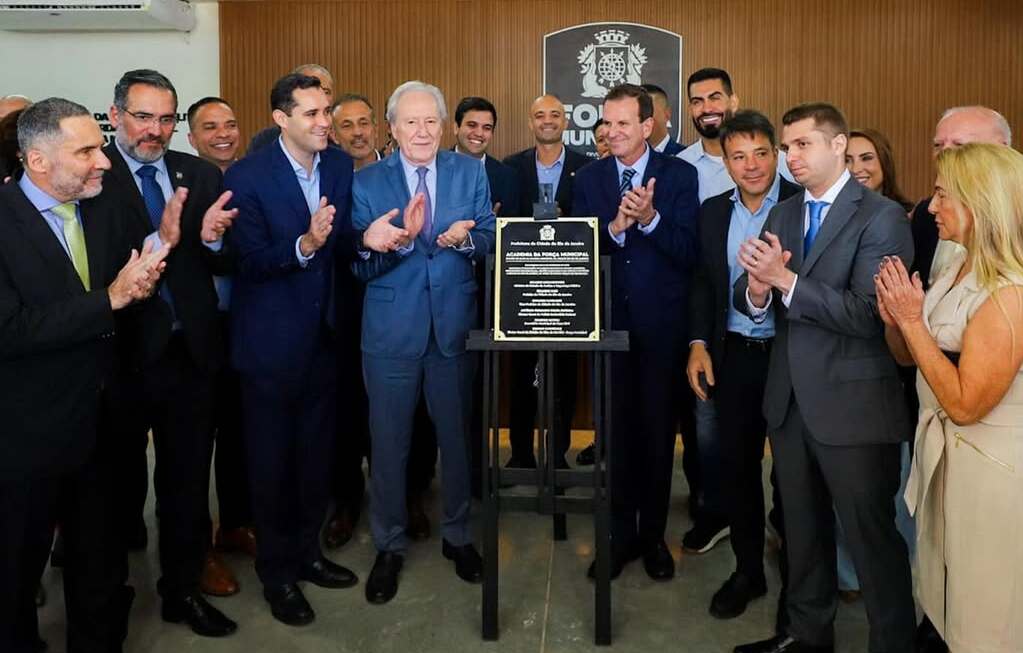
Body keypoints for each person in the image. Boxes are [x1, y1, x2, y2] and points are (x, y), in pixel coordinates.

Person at [732, 103, 915, 653]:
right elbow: (755, 295)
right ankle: (806, 637)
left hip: (854, 409)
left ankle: (893, 643)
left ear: (838, 146)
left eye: (802, 145)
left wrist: (783, 281)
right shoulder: (785, 212)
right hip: (789, 404)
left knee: (871, 542)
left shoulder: (880, 216)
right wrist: (757, 294)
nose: (791, 156)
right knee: (803, 537)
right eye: (788, 147)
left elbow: (867, 313)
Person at [224, 73, 399, 626]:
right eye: (313, 114)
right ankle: (277, 574)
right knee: (271, 467)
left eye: (327, 111)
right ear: (281, 118)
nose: (325, 123)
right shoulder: (248, 177)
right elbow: (246, 262)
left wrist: (363, 238)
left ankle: (307, 555)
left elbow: (340, 237)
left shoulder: (340, 168)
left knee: (315, 459)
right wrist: (303, 245)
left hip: (326, 340)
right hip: (270, 349)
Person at [0, 96, 170, 653]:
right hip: (27, 436)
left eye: (99, 147)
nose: (103, 161)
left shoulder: (106, 209)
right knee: (15, 575)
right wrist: (110, 300)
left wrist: (140, 289)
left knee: (100, 566)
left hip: (107, 426)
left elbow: (131, 304)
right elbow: (11, 328)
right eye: (87, 151)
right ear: (37, 161)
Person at [97, 68, 241, 638]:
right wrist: (159, 243)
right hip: (123, 359)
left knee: (185, 485)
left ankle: (181, 591)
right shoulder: (92, 176)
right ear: (115, 117)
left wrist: (211, 239)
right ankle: (108, 599)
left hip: (191, 356)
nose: (155, 130)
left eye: (165, 118)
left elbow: (223, 265)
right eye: (142, 117)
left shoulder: (197, 172)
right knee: (115, 490)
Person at [352, 80, 495, 605]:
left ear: (444, 126)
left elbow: (491, 234)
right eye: (409, 122)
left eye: (430, 121)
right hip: (391, 333)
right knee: (389, 444)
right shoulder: (367, 183)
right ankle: (388, 545)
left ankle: (458, 537)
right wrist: (389, 244)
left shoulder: (469, 170)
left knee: (457, 440)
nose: (421, 131)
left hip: (454, 327)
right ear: (391, 129)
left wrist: (467, 239)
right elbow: (357, 264)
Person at [877, 142, 1023, 653]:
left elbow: (964, 405)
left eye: (942, 195)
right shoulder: (957, 263)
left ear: (979, 202)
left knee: (984, 615)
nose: (930, 206)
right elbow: (911, 357)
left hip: (990, 478)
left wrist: (912, 321)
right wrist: (897, 322)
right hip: (947, 467)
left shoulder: (1009, 293)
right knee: (947, 600)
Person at [572, 83, 699, 581]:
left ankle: (653, 540)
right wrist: (615, 229)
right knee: (615, 438)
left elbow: (690, 252)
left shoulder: (679, 176)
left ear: (648, 126)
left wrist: (649, 220)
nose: (612, 131)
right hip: (607, 331)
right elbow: (580, 253)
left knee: (655, 438)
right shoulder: (589, 179)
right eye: (607, 121)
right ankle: (618, 537)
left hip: (661, 329)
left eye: (624, 122)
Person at [687, 110, 800, 620]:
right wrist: (697, 342)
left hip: (790, 356)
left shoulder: (801, 208)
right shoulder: (711, 211)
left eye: (760, 153)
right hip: (732, 355)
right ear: (725, 162)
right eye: (738, 156)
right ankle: (748, 571)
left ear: (776, 154)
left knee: (792, 474)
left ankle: (800, 579)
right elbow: (703, 283)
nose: (751, 165)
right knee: (738, 469)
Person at [835, 126, 915, 604]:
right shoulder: (827, 217)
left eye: (868, 159)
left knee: (894, 485)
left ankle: (898, 576)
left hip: (898, 369)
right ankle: (850, 576)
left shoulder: (912, 218)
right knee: (848, 484)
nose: (859, 168)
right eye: (851, 159)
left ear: (885, 164)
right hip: (845, 372)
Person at [185, 95, 257, 598]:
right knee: (191, 447)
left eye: (230, 124)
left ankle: (235, 524)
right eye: (210, 127)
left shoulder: (251, 179)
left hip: (246, 325)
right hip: (193, 333)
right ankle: (196, 550)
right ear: (191, 138)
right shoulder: (183, 184)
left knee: (238, 433)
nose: (223, 134)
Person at [502, 94, 589, 470]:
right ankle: (521, 453)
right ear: (531, 122)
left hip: (569, 289)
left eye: (555, 114)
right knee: (521, 375)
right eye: (540, 115)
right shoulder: (511, 167)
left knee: (564, 378)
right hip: (522, 288)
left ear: (565, 121)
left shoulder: (587, 168)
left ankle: (557, 456)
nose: (548, 121)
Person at [910, 106, 1011, 290]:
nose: (944, 155)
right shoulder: (926, 215)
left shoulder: (1015, 218)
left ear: (1001, 150)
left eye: (961, 146)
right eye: (938, 145)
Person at [249, 64, 335, 152]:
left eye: (325, 92)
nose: (318, 97)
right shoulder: (264, 141)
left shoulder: (341, 152)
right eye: (308, 91)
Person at [330, 93, 383, 171]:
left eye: (364, 123)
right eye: (347, 126)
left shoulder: (398, 171)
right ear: (334, 135)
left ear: (375, 129)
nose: (357, 132)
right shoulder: (328, 178)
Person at [641, 83, 684, 155]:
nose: (641, 118)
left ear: (667, 114)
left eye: (647, 112)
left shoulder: (685, 157)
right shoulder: (620, 158)